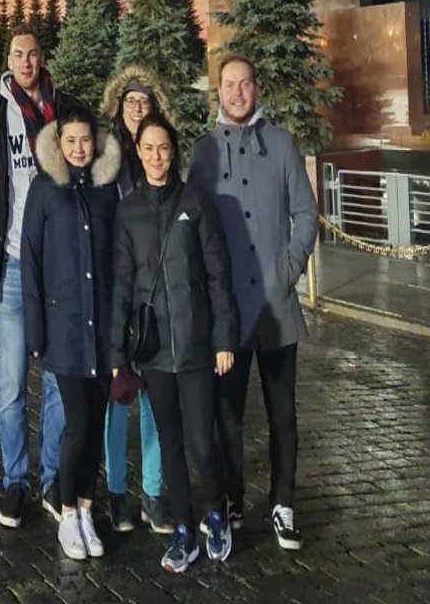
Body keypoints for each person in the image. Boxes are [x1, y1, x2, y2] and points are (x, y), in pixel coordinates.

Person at [189, 55, 318, 551]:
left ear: (256, 88)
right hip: (229, 312)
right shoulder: (203, 152)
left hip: (277, 307)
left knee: (282, 411)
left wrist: (285, 273)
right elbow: (195, 225)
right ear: (217, 92)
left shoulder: (282, 144)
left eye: (245, 84)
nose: (238, 93)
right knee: (228, 414)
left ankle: (283, 501)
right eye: (229, 85)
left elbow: (305, 216)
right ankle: (232, 498)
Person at [110, 113, 238, 574]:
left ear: (174, 152)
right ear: (138, 152)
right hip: (155, 349)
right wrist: (117, 356)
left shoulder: (196, 203)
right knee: (169, 443)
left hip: (198, 346)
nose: (156, 156)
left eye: (164, 148)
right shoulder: (128, 211)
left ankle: (217, 514)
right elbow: (121, 285)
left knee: (203, 443)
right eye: (148, 148)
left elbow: (218, 277)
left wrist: (224, 338)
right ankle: (185, 529)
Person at [22, 105, 122, 560]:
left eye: (86, 140)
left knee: (95, 423)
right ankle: (66, 510)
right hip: (64, 329)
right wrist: (36, 332)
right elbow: (31, 263)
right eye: (71, 141)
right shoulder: (45, 190)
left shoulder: (106, 191)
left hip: (101, 329)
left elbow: (119, 263)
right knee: (77, 423)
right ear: (58, 144)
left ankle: (85, 508)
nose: (79, 149)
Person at [0, 24, 71, 528]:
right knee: (12, 386)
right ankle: (15, 480)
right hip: (15, 264)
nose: (26, 61)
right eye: (18, 54)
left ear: (42, 58)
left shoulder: (65, 108)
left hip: (60, 268)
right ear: (9, 60)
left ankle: (53, 476)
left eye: (33, 54)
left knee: (57, 383)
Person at [96, 66, 174, 535]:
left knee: (154, 396)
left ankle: (154, 490)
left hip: (157, 291)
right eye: (130, 102)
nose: (137, 109)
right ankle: (116, 492)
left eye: (144, 102)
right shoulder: (106, 158)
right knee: (118, 393)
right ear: (118, 106)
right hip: (116, 287)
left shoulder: (163, 155)